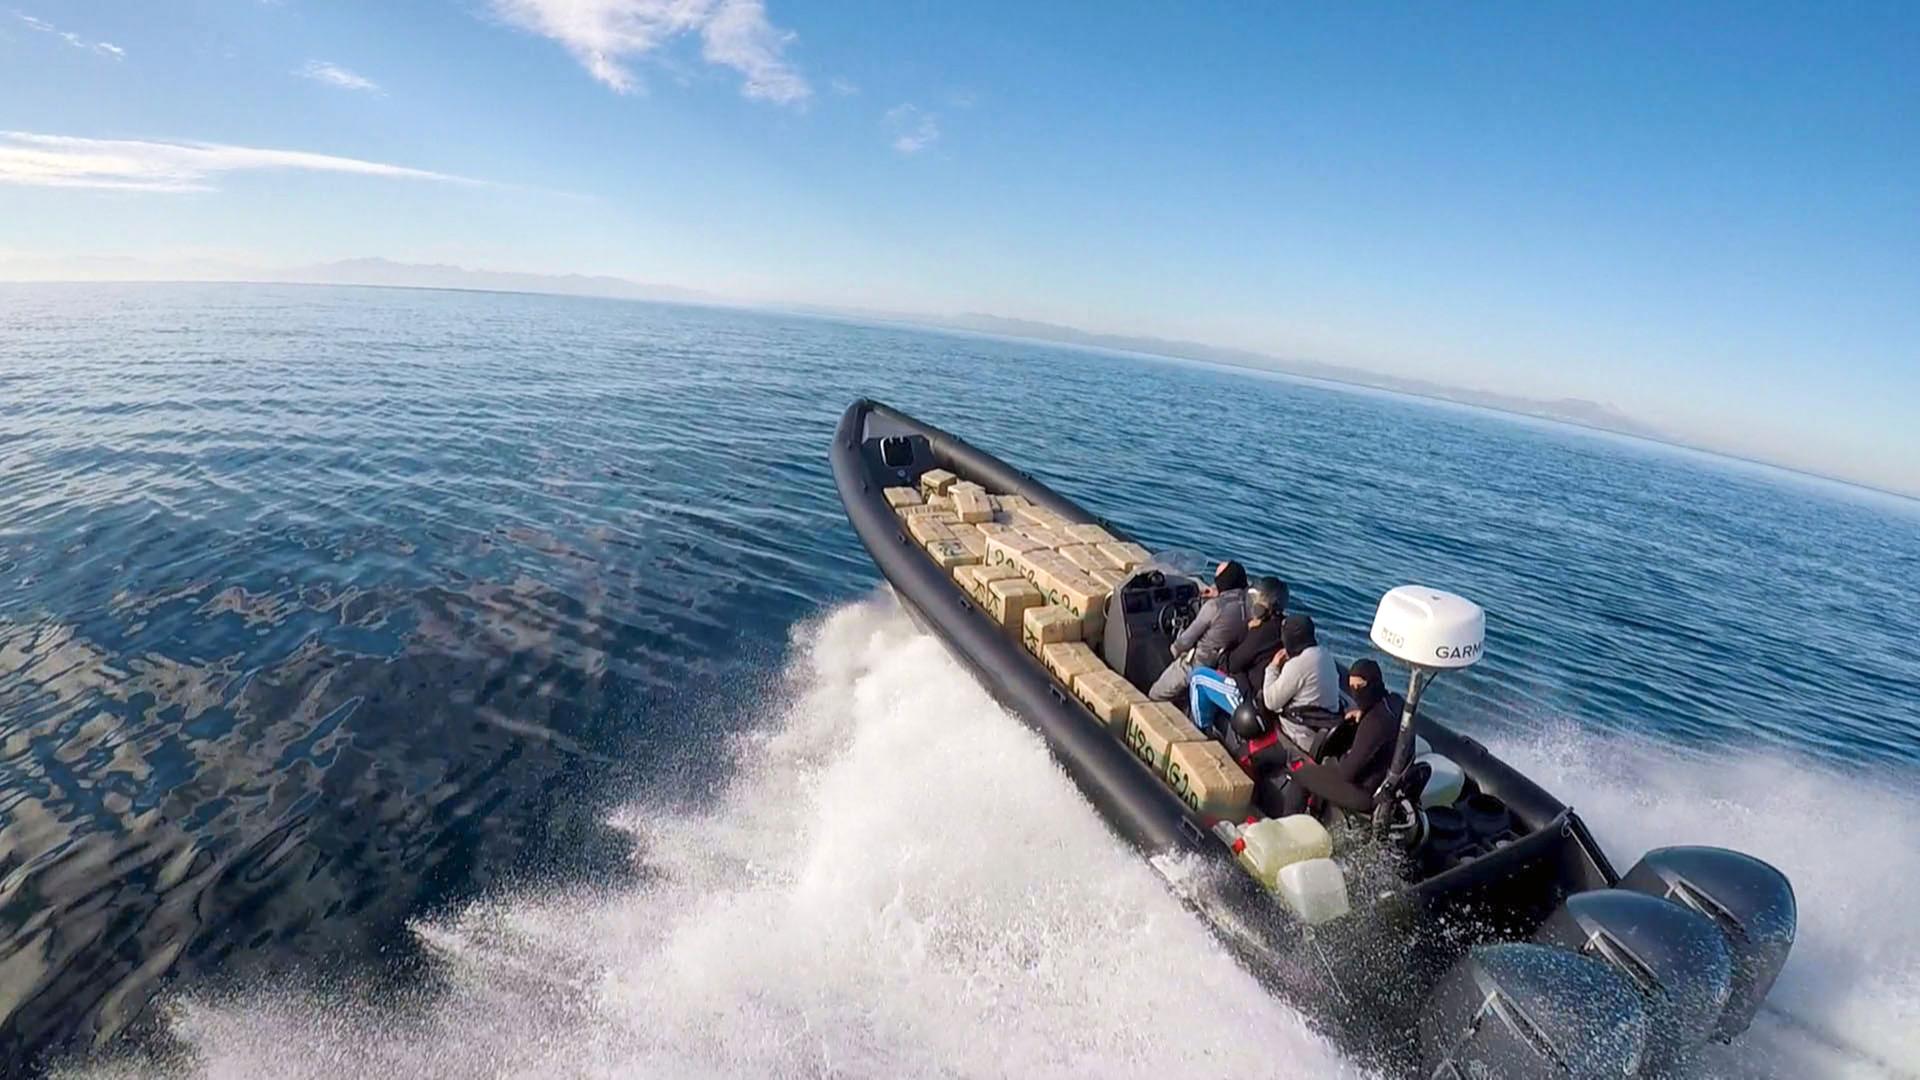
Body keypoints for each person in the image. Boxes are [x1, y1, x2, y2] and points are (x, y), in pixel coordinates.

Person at [1186, 575, 1287, 732]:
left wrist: (1226, 652)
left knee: (1198, 677)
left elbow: (1232, 664)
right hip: (1262, 695)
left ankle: (1201, 730)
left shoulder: (1261, 632)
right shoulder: (1281, 627)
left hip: (1248, 699)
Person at [1148, 560, 1249, 703]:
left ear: (1224, 582)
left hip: (1198, 665)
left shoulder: (1214, 607)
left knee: (1155, 694)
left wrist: (1171, 652)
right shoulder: (1249, 606)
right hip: (1223, 667)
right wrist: (1218, 592)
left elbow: (1185, 641)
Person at [1261, 613, 1340, 749]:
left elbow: (1270, 702)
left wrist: (1273, 667)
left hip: (1300, 735)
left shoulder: (1297, 665)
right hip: (1323, 728)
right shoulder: (1325, 654)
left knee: (1260, 702)